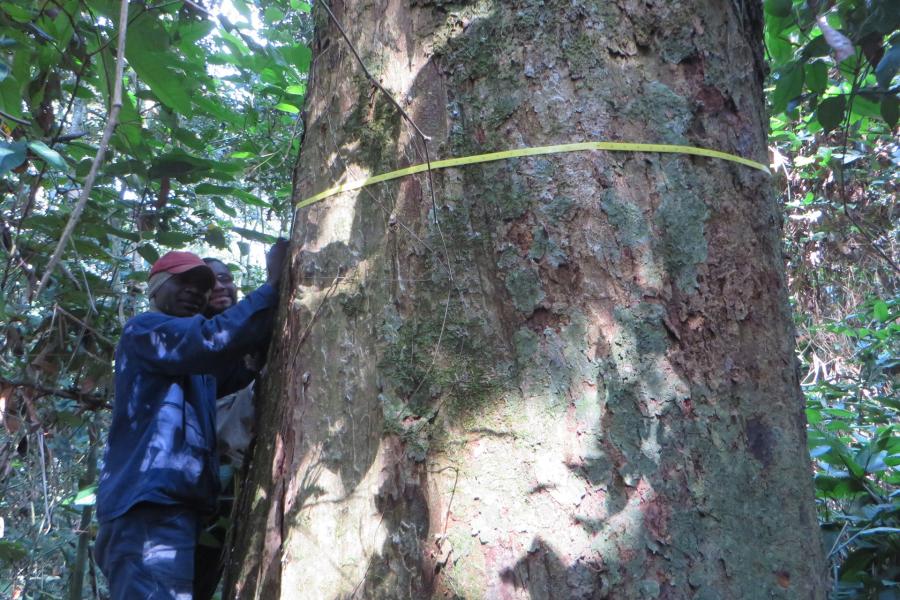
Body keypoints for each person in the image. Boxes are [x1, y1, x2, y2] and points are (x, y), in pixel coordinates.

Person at [94, 241, 287, 599]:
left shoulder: (198, 374)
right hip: (147, 510)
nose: (194, 293)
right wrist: (272, 286)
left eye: (202, 288)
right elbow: (210, 340)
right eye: (183, 283)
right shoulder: (145, 330)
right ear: (156, 288)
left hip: (178, 511)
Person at [193, 257, 263, 600]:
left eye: (225, 278)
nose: (221, 287)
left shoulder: (251, 333)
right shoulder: (195, 333)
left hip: (237, 471)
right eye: (211, 283)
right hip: (202, 470)